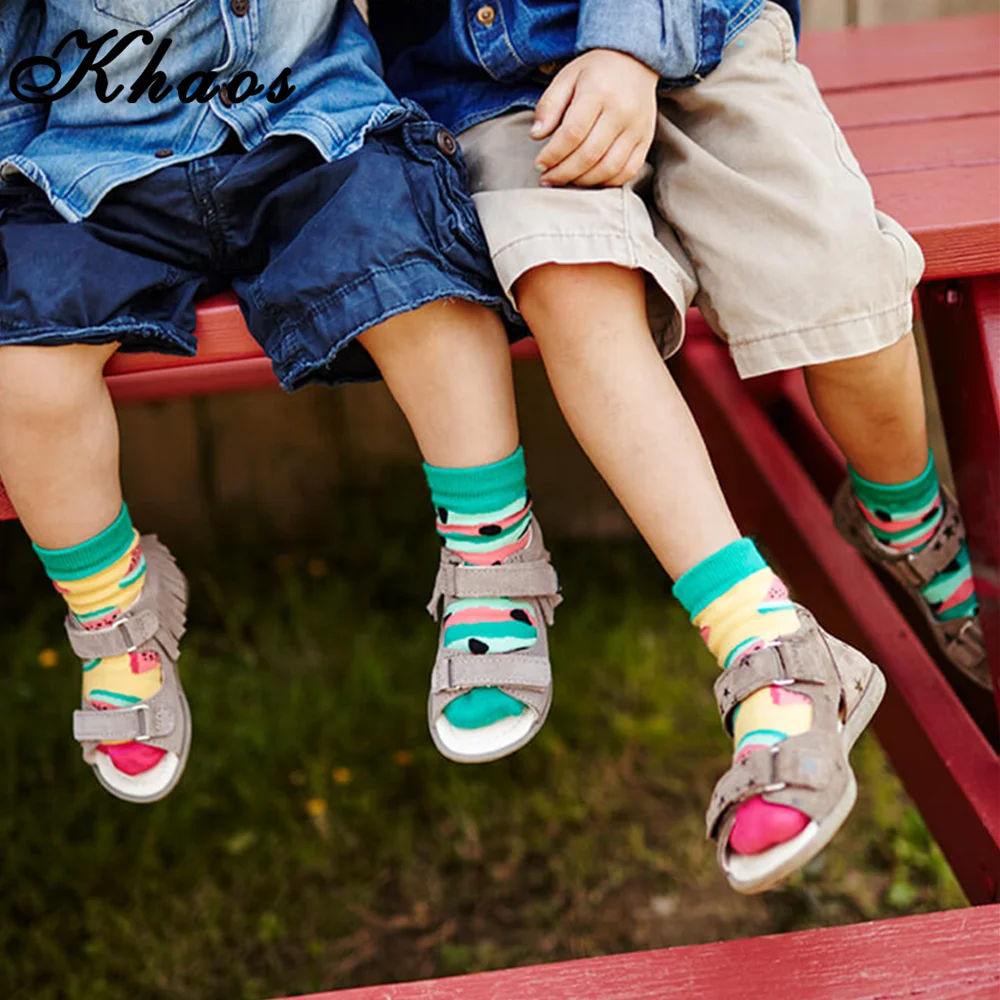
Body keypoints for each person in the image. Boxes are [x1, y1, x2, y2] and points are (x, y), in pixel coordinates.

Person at [369, 0, 986, 892]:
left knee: (840, 285)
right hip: (480, 84)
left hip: (702, 36)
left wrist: (629, 47)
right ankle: (767, 651)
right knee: (564, 276)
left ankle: (906, 517)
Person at [0, 0, 565, 803]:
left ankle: (492, 552)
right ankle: (112, 612)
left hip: (313, 132)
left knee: (422, 287)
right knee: (22, 366)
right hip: (98, 170)